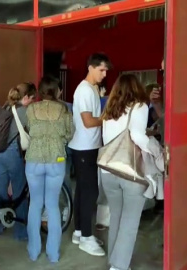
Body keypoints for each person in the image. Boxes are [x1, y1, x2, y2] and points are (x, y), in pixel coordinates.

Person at [100, 74, 161, 270]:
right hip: (130, 171)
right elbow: (137, 136)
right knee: (130, 222)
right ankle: (118, 267)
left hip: (108, 171)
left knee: (117, 217)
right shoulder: (139, 106)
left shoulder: (109, 110)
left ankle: (114, 262)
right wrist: (155, 149)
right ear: (137, 88)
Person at [25, 76, 74, 263]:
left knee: (35, 204)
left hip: (34, 160)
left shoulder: (31, 109)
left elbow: (30, 129)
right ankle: (53, 254)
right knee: (52, 205)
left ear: (40, 91)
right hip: (56, 159)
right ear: (56, 90)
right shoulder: (63, 109)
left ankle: (33, 250)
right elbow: (70, 134)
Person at [68, 53, 110, 256]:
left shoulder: (91, 89)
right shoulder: (84, 90)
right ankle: (86, 236)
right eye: (101, 69)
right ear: (91, 67)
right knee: (90, 192)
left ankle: (78, 232)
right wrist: (108, 118)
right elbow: (88, 122)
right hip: (84, 148)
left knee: (82, 192)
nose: (105, 73)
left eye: (106, 70)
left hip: (87, 146)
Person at [0, 82, 36, 240]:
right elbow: (33, 131)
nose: (32, 102)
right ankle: (20, 232)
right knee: (20, 191)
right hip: (12, 154)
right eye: (32, 98)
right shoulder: (23, 111)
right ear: (25, 97)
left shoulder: (5, 107)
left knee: (0, 189)